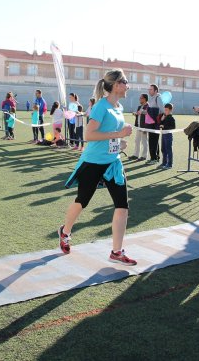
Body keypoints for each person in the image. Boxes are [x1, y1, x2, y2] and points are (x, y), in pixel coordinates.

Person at [59, 69, 136, 266]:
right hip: (93, 162)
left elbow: (110, 137)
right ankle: (65, 231)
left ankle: (117, 252)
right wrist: (118, 134)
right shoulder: (101, 107)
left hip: (113, 163)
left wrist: (118, 145)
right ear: (116, 85)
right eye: (125, 81)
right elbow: (88, 135)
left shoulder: (118, 107)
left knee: (122, 206)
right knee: (82, 201)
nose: (128, 85)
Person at [146, 84, 162, 165]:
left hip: (155, 124)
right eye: (149, 89)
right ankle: (154, 157)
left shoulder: (158, 98)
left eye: (151, 89)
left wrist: (159, 122)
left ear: (156, 91)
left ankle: (154, 158)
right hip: (150, 123)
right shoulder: (151, 98)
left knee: (154, 140)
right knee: (152, 140)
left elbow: (161, 111)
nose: (149, 90)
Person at [130, 94, 149, 161]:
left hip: (144, 127)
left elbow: (148, 116)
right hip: (138, 126)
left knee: (144, 141)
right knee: (137, 141)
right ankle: (136, 155)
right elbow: (139, 115)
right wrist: (136, 114)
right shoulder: (139, 106)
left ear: (144, 99)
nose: (140, 99)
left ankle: (144, 156)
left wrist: (145, 128)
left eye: (141, 98)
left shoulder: (148, 106)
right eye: (140, 98)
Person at [159, 103, 176, 169]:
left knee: (168, 149)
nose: (165, 111)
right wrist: (162, 120)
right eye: (164, 110)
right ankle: (164, 163)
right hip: (163, 135)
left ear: (170, 110)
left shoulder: (171, 118)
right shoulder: (164, 117)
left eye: (166, 110)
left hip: (168, 135)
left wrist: (164, 126)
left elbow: (173, 127)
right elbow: (160, 124)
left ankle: (169, 164)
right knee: (163, 149)